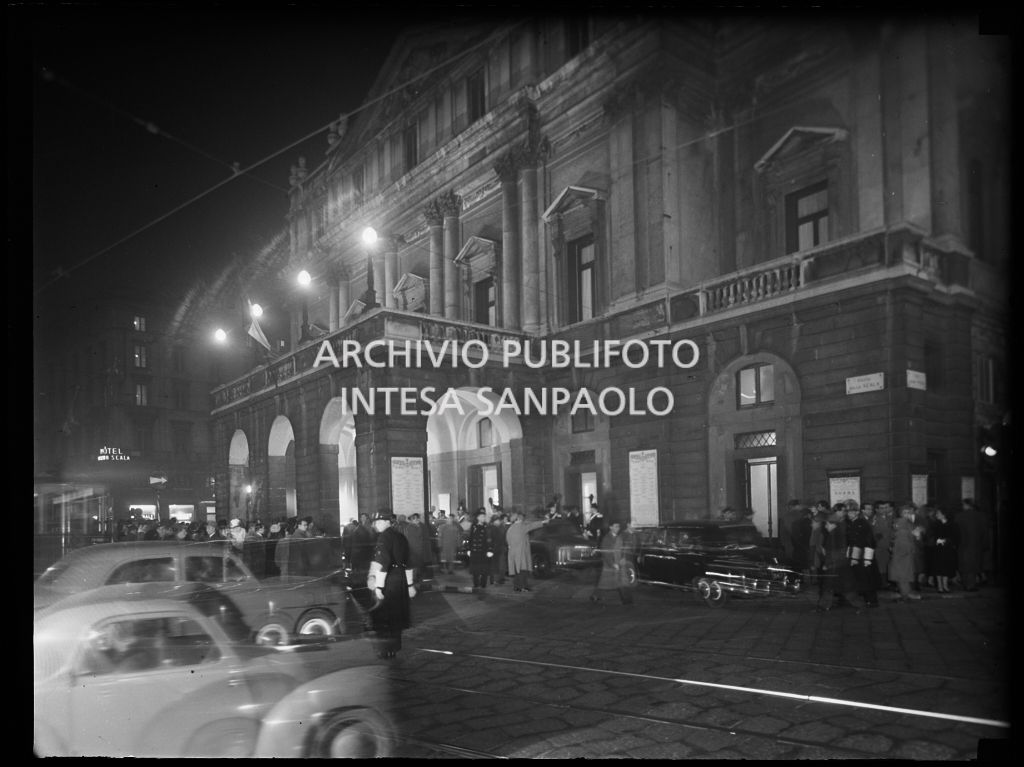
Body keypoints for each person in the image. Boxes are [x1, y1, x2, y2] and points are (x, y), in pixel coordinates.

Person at [365, 510, 416, 659]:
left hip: (388, 581)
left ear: (387, 522)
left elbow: (383, 563)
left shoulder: (384, 537)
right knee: (396, 617)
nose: (377, 525)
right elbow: (408, 562)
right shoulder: (400, 537)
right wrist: (410, 585)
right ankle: (394, 648)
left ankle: (384, 649)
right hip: (400, 580)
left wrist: (379, 586)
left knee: (383, 616)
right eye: (376, 522)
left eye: (380, 522)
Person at [589, 521, 631, 604]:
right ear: (610, 527)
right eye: (615, 526)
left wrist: (623, 558)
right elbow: (606, 553)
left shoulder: (619, 537)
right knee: (610, 582)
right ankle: (627, 601)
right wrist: (612, 564)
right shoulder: (607, 539)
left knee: (609, 582)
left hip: (618, 563)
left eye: (618, 526)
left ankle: (596, 595)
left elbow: (622, 550)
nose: (617, 528)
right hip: (611, 565)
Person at [846, 501, 879, 607]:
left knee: (866, 577)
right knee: (861, 577)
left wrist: (866, 558)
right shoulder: (853, 523)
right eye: (848, 512)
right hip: (857, 554)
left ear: (856, 512)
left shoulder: (861, 523)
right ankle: (868, 599)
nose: (849, 514)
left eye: (851, 512)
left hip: (863, 555)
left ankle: (871, 600)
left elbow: (868, 541)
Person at [506, 510, 546, 592]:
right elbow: (532, 526)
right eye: (521, 518)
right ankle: (523, 586)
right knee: (522, 570)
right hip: (521, 553)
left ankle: (517, 587)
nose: (522, 520)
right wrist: (543, 522)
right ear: (518, 519)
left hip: (513, 553)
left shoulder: (510, 528)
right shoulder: (521, 527)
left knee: (517, 571)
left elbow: (508, 541)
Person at [890, 503, 922, 601]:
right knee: (904, 575)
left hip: (902, 554)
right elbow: (904, 542)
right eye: (905, 512)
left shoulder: (905, 523)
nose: (907, 514)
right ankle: (906, 594)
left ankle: (906, 593)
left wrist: (916, 535)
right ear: (901, 513)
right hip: (903, 554)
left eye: (909, 512)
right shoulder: (903, 524)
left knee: (903, 575)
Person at [929, 507, 958, 593]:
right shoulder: (934, 524)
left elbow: (955, 536)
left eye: (938, 513)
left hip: (947, 549)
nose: (937, 515)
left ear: (944, 514)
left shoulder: (952, 524)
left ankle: (945, 586)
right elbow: (930, 536)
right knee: (938, 568)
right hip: (937, 549)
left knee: (946, 568)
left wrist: (947, 541)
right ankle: (940, 586)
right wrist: (936, 540)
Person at [467, 510, 493, 589]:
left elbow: (489, 539)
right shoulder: (473, 526)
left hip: (483, 551)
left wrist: (490, 550)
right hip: (475, 552)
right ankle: (476, 584)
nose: (483, 518)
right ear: (478, 518)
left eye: (484, 516)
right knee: (475, 570)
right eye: (482, 516)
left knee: (484, 570)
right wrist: (469, 549)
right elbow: (470, 538)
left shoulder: (487, 527)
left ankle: (483, 584)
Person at [872, 501, 895, 590]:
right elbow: (876, 535)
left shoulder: (889, 518)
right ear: (877, 510)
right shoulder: (875, 519)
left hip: (889, 545)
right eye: (881, 508)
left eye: (885, 507)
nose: (884, 510)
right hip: (880, 546)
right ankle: (882, 583)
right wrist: (883, 543)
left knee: (888, 564)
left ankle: (888, 582)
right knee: (881, 565)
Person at [488, 514, 508, 585]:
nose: (499, 522)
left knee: (499, 565)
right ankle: (494, 580)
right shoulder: (492, 528)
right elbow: (491, 540)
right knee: (495, 565)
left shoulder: (498, 528)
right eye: (497, 520)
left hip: (499, 549)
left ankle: (498, 579)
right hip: (495, 549)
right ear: (494, 521)